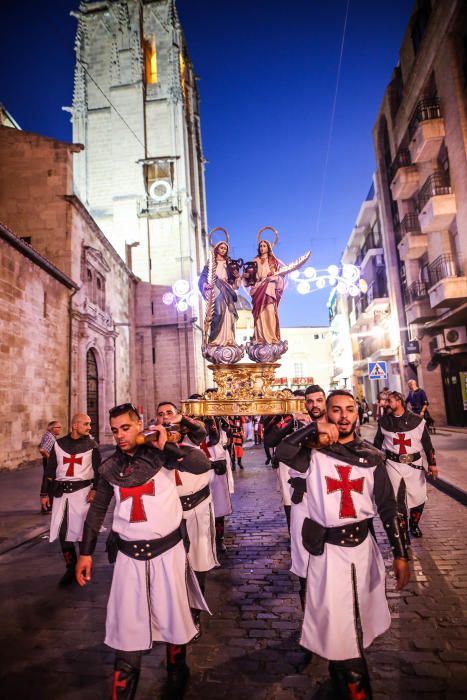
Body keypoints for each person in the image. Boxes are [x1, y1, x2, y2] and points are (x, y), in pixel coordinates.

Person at [276, 390, 410, 699]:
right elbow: (281, 451)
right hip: (327, 555)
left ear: (357, 413)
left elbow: (389, 507)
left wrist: (401, 554)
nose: (344, 416)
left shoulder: (372, 457)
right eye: (336, 410)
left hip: (362, 551)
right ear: (327, 414)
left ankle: (345, 681)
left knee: (352, 627)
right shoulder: (313, 453)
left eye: (350, 409)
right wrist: (311, 430)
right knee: (340, 628)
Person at [76, 403, 211, 700]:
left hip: (167, 553)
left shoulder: (161, 455)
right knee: (127, 627)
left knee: (174, 617)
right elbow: (98, 509)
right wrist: (85, 553)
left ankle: (177, 673)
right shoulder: (110, 467)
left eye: (125, 428)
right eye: (115, 430)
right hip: (129, 558)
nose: (120, 435)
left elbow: (201, 465)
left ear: (139, 426)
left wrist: (168, 446)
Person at [156, 401, 218, 638]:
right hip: (172, 512)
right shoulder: (156, 442)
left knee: (198, 561)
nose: (165, 417)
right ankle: (177, 609)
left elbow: (201, 433)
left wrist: (181, 420)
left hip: (198, 509)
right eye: (160, 414)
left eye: (169, 413)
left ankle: (195, 612)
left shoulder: (190, 437)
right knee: (176, 565)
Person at [40, 413, 100, 586]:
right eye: (86, 424)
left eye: (90, 424)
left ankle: (82, 564)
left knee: (82, 532)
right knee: (63, 531)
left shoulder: (92, 445)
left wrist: (95, 489)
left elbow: (99, 472)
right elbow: (50, 472)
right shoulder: (58, 445)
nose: (89, 427)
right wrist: (44, 494)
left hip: (83, 494)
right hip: (61, 495)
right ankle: (70, 566)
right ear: (75, 425)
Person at [374, 390, 438, 539]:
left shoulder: (417, 421)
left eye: (389, 401)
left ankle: (414, 524)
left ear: (399, 401)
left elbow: (428, 445)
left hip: (414, 464)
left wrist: (432, 464)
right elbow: (377, 444)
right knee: (396, 498)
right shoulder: (384, 422)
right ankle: (402, 529)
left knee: (418, 495)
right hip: (392, 464)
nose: (386, 404)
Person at [198, 240, 241, 346]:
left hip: (227, 289)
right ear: (217, 249)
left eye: (225, 248)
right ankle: (214, 339)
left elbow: (234, 283)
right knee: (218, 312)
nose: (223, 250)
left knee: (228, 314)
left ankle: (228, 339)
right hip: (216, 288)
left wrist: (237, 277)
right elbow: (203, 277)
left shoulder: (228, 263)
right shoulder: (211, 263)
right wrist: (205, 284)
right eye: (221, 248)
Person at [243, 239, 284, 345]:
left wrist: (274, 278)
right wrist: (247, 277)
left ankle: (271, 337)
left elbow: (280, 277)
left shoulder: (273, 261)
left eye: (264, 246)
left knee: (270, 312)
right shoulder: (255, 260)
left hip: (269, 288)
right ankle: (260, 338)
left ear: (268, 248)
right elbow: (249, 277)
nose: (262, 248)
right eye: (260, 246)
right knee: (259, 315)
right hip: (258, 288)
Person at [38, 420, 62, 513]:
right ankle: (47, 507)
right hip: (49, 462)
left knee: (49, 483)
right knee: (49, 482)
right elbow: (42, 449)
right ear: (53, 429)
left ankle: (47, 506)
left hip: (48, 461)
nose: (60, 429)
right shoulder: (50, 437)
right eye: (58, 427)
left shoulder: (49, 435)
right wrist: (51, 459)